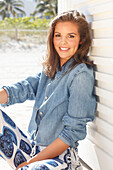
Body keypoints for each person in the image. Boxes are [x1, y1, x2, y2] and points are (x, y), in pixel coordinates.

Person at [0, 10, 96, 170]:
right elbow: (22, 89)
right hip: (32, 150)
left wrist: (30, 163)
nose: (63, 42)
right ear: (52, 38)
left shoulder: (80, 75)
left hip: (60, 159)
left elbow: (71, 133)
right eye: (58, 35)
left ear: (81, 40)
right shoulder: (51, 69)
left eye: (71, 36)